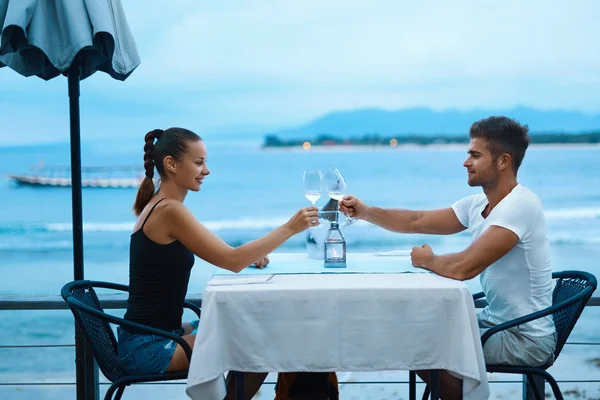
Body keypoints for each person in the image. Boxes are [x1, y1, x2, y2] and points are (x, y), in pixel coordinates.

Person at [339, 116, 557, 399]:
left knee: (416, 341)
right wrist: (366, 212)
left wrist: (426, 259)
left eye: (475, 155)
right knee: (413, 326)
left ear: (503, 161)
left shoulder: (521, 205)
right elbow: (417, 220)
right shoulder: (480, 204)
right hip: (495, 325)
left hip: (524, 340)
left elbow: (464, 267)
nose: (466, 162)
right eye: (469, 153)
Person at [117, 127, 319, 400]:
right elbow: (232, 261)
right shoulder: (169, 210)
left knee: (245, 326)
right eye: (199, 162)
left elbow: (227, 253)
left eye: (205, 162)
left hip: (150, 336)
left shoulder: (160, 206)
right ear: (171, 164)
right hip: (149, 347)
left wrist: (250, 254)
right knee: (262, 341)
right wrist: (289, 228)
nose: (206, 170)